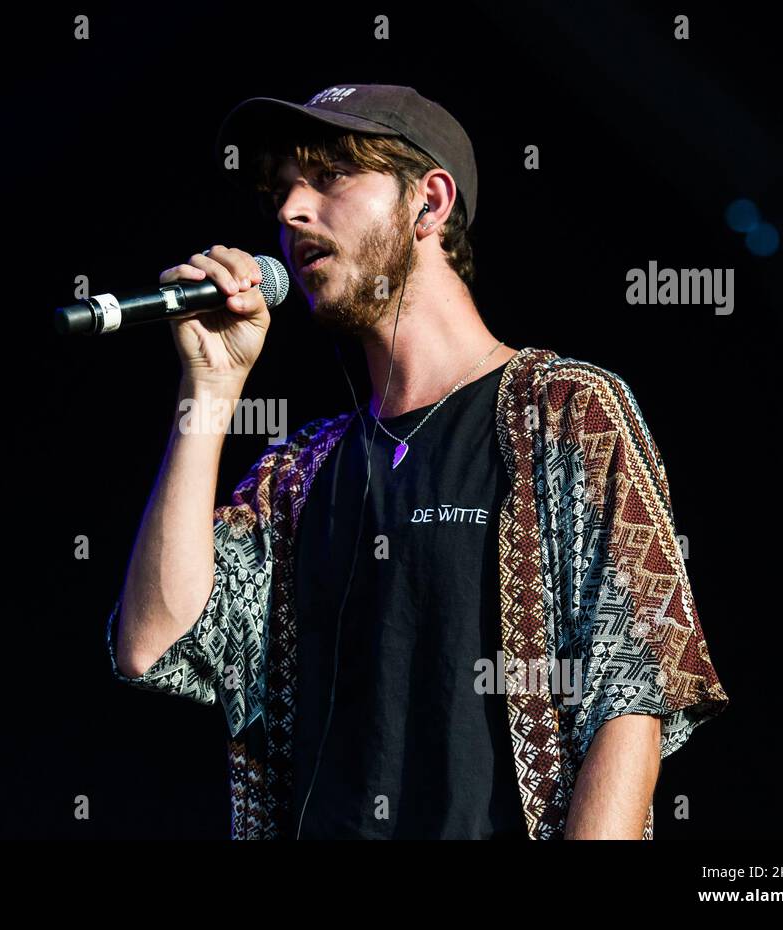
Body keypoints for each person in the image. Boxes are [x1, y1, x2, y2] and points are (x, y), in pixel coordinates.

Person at [106, 84, 729, 840]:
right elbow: (153, 642)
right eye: (283, 190)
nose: (291, 211)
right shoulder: (300, 472)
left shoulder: (562, 412)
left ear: (429, 203)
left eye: (331, 176)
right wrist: (210, 386)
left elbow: (631, 692)